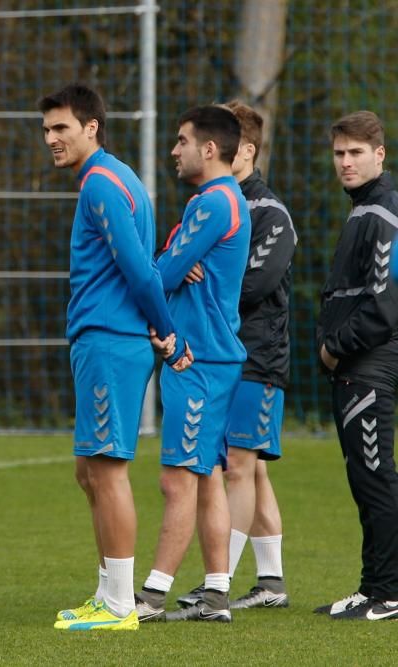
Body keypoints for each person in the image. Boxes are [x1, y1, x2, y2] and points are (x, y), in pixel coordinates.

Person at [36, 84, 190, 633]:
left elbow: (140, 269)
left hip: (109, 341)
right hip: (105, 340)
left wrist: (169, 333)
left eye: (62, 128)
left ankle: (121, 605)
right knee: (89, 471)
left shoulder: (100, 184)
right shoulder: (115, 178)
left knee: (106, 470)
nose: (51, 139)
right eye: (48, 129)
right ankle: (106, 593)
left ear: (92, 127)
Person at [175, 100, 296, 611]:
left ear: (244, 149)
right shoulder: (215, 203)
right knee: (250, 469)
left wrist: (209, 277)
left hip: (257, 356)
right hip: (226, 351)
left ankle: (216, 582)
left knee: (238, 469)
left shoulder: (268, 212)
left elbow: (255, 284)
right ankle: (270, 581)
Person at [133, 105, 251, 623]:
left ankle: (152, 596)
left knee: (177, 477)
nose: (174, 151)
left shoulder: (213, 202)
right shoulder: (220, 202)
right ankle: (217, 594)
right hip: (211, 356)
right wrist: (174, 258)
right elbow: (174, 264)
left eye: (182, 141)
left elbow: (159, 274)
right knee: (205, 475)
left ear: (209, 149)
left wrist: (171, 260)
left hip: (196, 359)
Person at [314, 110, 398, 621]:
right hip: (353, 367)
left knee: (376, 476)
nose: (345, 162)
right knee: (364, 477)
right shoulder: (363, 208)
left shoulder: (385, 210)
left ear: (379, 154)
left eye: (356, 153)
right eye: (339, 154)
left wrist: (334, 346)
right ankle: (372, 588)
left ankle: (388, 594)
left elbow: (385, 304)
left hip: (367, 365)